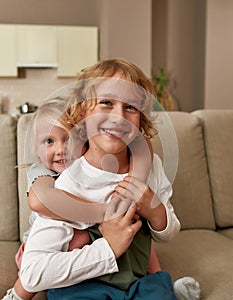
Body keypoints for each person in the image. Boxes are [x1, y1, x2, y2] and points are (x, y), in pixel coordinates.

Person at [20, 58, 191, 299]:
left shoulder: (151, 167)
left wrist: (154, 211)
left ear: (140, 118)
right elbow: (32, 274)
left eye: (131, 107)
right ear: (82, 114)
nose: (119, 117)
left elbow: (169, 231)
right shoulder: (70, 183)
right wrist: (108, 248)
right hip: (83, 287)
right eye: (106, 103)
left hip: (138, 283)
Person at [3, 97, 162, 300]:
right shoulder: (41, 171)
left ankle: (159, 278)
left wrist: (135, 179)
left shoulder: (90, 162)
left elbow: (141, 141)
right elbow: (39, 200)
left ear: (85, 140)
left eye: (68, 138)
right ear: (37, 149)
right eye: (49, 141)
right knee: (79, 239)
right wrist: (107, 212)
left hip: (93, 233)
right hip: (52, 241)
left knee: (135, 225)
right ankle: (16, 296)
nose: (60, 150)